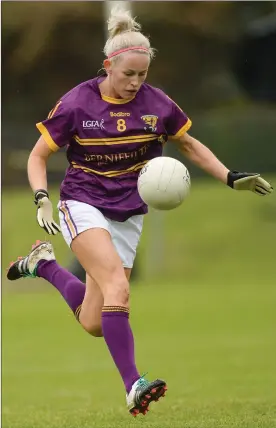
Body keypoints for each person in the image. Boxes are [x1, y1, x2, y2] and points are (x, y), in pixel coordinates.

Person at [7, 7, 273, 417]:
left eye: (142, 75)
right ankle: (134, 384)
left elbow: (189, 144)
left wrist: (229, 176)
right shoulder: (78, 102)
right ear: (108, 66)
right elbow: (38, 155)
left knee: (95, 322)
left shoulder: (157, 104)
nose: (135, 83)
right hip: (83, 202)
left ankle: (44, 266)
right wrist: (42, 197)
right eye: (127, 74)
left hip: (128, 212)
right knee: (118, 285)